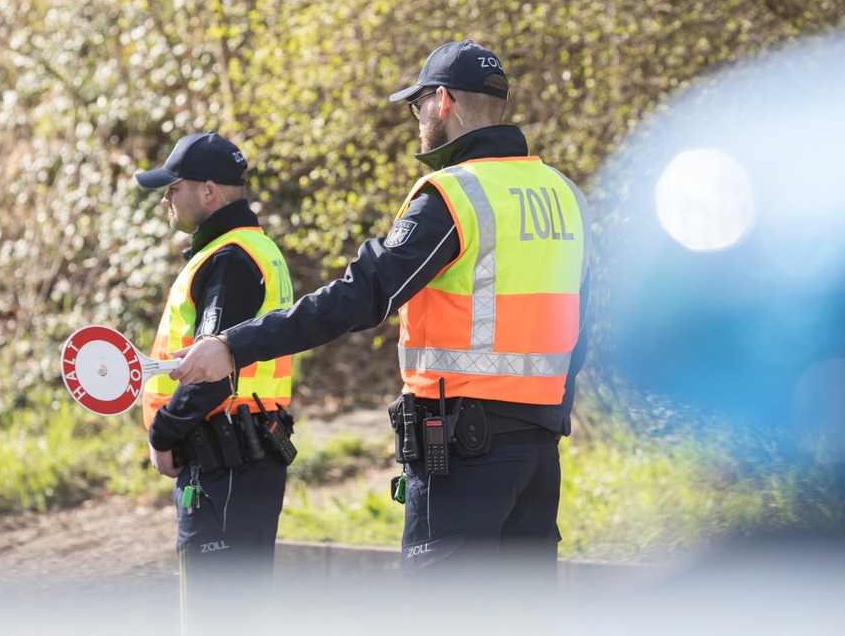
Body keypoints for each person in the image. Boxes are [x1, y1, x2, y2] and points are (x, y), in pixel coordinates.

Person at [171, 41, 591, 578]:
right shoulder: (566, 196)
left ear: (443, 102)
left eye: (416, 108)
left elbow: (359, 295)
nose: (416, 121)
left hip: (463, 461)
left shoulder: (455, 195)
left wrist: (233, 344)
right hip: (537, 458)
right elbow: (581, 330)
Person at [134, 131, 297, 594]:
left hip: (225, 461)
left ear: (208, 191)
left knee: (214, 623)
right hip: (240, 455)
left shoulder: (230, 260)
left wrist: (164, 432)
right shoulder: (250, 248)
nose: (166, 197)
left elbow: (214, 368)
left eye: (173, 186)